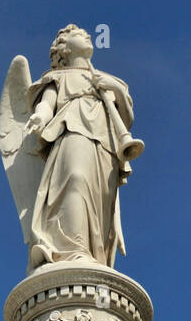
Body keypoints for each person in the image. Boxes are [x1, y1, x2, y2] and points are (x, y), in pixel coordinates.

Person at [24, 24, 143, 268]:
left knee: (102, 199)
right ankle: (73, 249)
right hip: (72, 128)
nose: (87, 36)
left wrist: (117, 90)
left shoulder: (109, 80)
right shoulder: (56, 78)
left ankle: (93, 255)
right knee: (75, 178)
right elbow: (48, 103)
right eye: (79, 35)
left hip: (105, 142)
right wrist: (40, 116)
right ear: (64, 48)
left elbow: (126, 118)